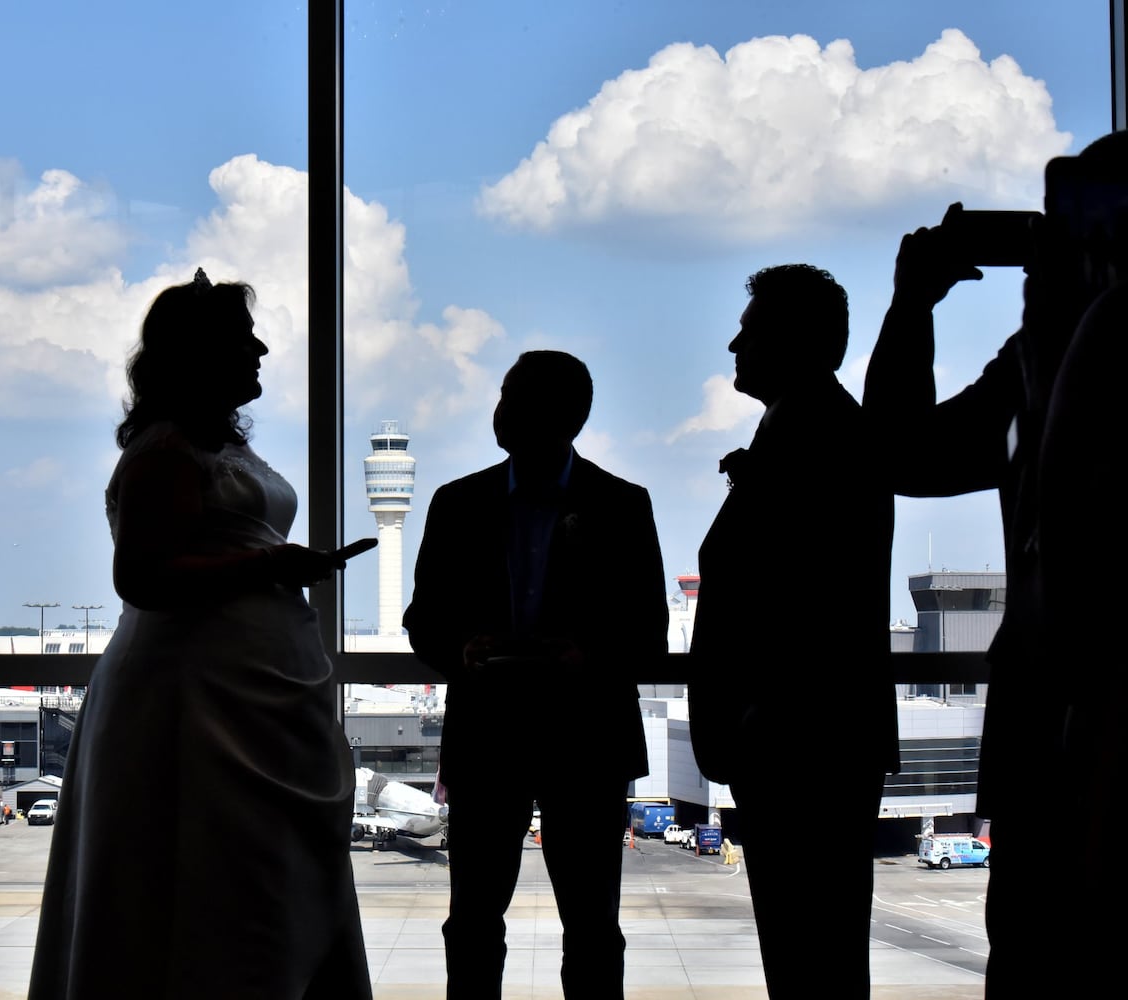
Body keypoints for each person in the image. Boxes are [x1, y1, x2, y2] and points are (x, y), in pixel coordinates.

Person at [28, 269, 372, 1000]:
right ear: (201, 355)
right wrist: (270, 563)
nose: (263, 350)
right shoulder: (164, 451)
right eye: (245, 339)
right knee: (210, 874)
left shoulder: (207, 447)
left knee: (237, 875)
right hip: (193, 700)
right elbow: (143, 578)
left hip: (244, 691)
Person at [865, 130, 1125, 996]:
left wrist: (915, 306)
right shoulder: (1033, 364)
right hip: (1048, 719)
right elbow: (902, 455)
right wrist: (917, 310)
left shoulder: (1051, 359)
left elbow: (902, 455)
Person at [403, 350, 668, 999]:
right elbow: (422, 621)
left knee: (591, 928)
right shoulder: (457, 502)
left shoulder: (622, 505)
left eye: (511, 397)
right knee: (472, 922)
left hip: (583, 745)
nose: (497, 410)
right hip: (492, 741)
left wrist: (587, 657)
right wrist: (462, 648)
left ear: (563, 418)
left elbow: (650, 634)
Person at [688, 264, 896, 999]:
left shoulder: (818, 433)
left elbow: (809, 597)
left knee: (812, 950)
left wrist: (758, 712)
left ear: (795, 340)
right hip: (801, 739)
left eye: (752, 327)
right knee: (815, 949)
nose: (734, 341)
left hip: (801, 742)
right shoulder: (802, 427)